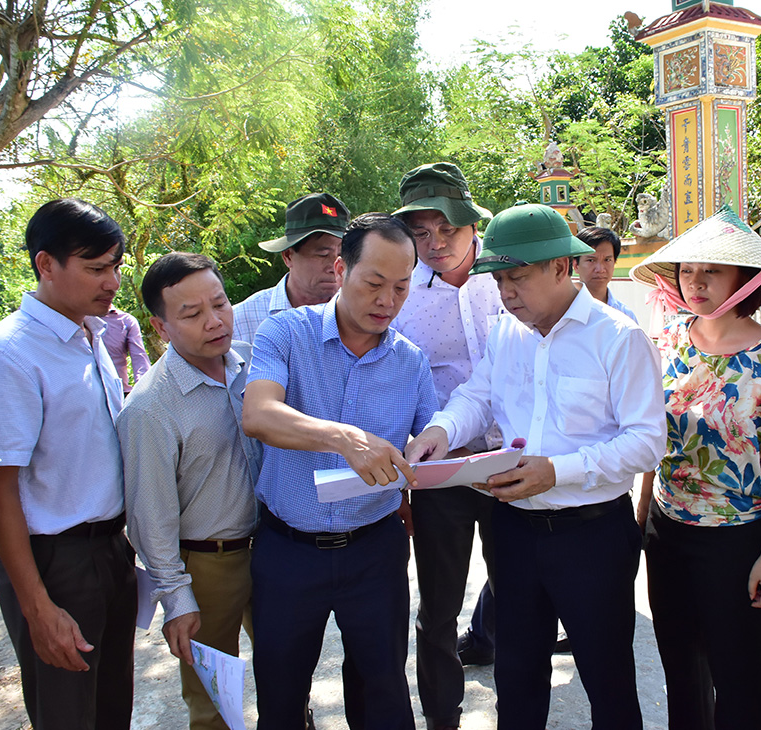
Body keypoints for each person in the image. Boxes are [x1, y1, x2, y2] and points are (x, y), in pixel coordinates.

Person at [406, 203, 666, 730]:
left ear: (560, 267)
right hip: (516, 530)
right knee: (518, 676)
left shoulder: (617, 337)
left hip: (592, 536)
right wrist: (441, 430)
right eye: (499, 279)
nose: (505, 293)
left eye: (517, 278)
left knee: (607, 677)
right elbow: (477, 396)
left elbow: (646, 443)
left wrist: (559, 470)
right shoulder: (507, 332)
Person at [242, 212, 438, 730]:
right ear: (341, 268)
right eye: (374, 283)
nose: (387, 301)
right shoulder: (285, 331)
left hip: (375, 550)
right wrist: (345, 438)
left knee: (383, 697)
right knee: (281, 697)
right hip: (289, 552)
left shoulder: (410, 361)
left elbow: (431, 440)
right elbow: (259, 414)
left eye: (401, 288)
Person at [0, 198, 137, 730]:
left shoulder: (89, 335)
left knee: (109, 710)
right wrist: (38, 607)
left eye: (115, 266)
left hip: (108, 551)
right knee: (67, 714)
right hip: (56, 565)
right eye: (96, 268)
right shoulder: (10, 356)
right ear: (45, 264)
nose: (112, 282)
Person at [629, 205, 761, 730]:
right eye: (688, 270)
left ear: (745, 279)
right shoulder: (668, 341)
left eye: (713, 270)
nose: (696, 282)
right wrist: (643, 520)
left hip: (737, 540)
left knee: (740, 680)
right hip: (669, 532)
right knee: (680, 672)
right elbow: (652, 440)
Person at [116, 253, 262, 730]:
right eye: (192, 314)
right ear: (160, 328)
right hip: (207, 566)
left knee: (287, 671)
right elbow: (148, 515)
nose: (214, 321)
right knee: (213, 702)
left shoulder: (253, 366)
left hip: (273, 547)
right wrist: (177, 599)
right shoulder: (150, 408)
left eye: (219, 303)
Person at [391, 162, 505, 728]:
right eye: (420, 232)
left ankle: (520, 707)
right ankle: (442, 717)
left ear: (471, 224)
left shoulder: (511, 274)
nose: (434, 244)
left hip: (514, 469)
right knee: (437, 610)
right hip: (440, 474)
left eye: (446, 230)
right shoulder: (401, 295)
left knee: (518, 599)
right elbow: (393, 390)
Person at [233, 192, 350, 343]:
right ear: (288, 256)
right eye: (322, 254)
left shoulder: (362, 316)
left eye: (342, 255)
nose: (335, 267)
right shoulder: (242, 321)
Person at [572, 225, 638, 321]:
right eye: (591, 260)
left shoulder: (625, 315)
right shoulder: (561, 312)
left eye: (607, 260)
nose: (600, 269)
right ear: (575, 265)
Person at [102, 305, 151, 394]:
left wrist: (144, 391)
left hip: (119, 393)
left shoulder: (126, 320)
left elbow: (139, 358)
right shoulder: (81, 319)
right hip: (86, 395)